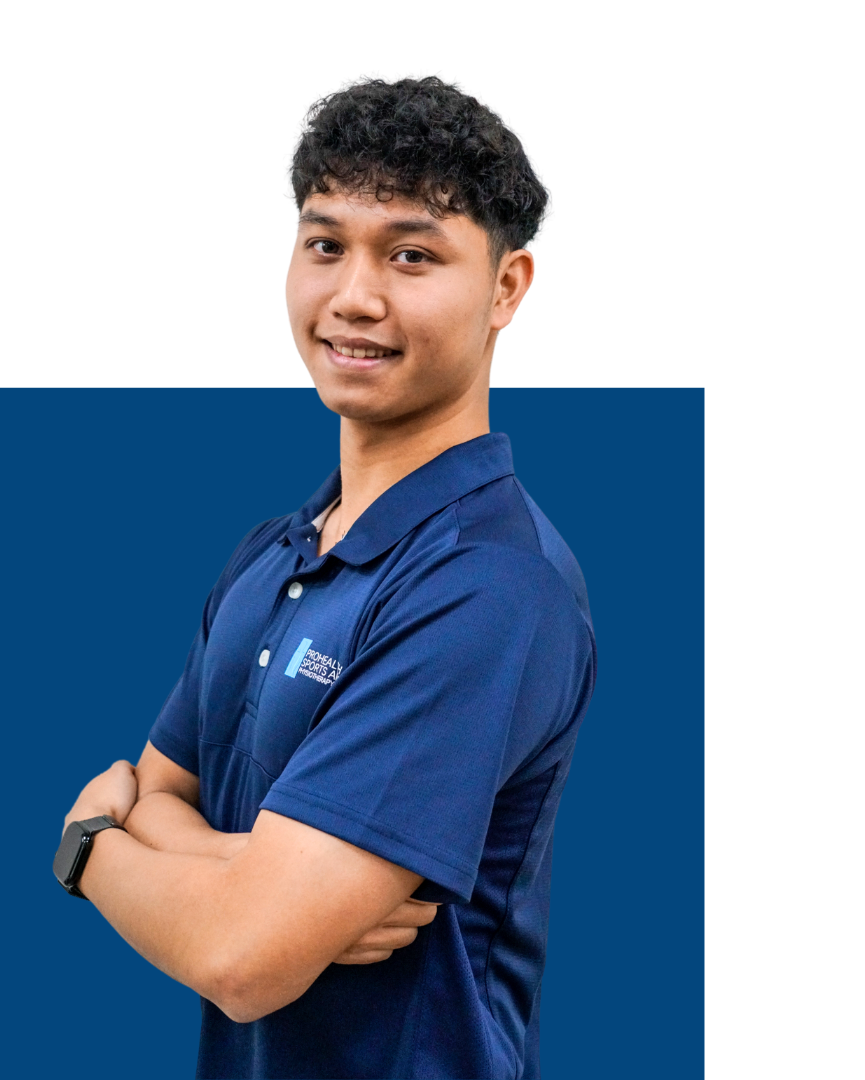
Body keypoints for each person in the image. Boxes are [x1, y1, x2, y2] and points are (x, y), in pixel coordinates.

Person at [53, 76, 596, 1080]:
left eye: (412, 254)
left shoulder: (486, 589)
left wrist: (86, 853)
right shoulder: (277, 551)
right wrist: (245, 873)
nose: (354, 295)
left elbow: (240, 957)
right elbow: (156, 796)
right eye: (325, 244)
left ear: (507, 288)